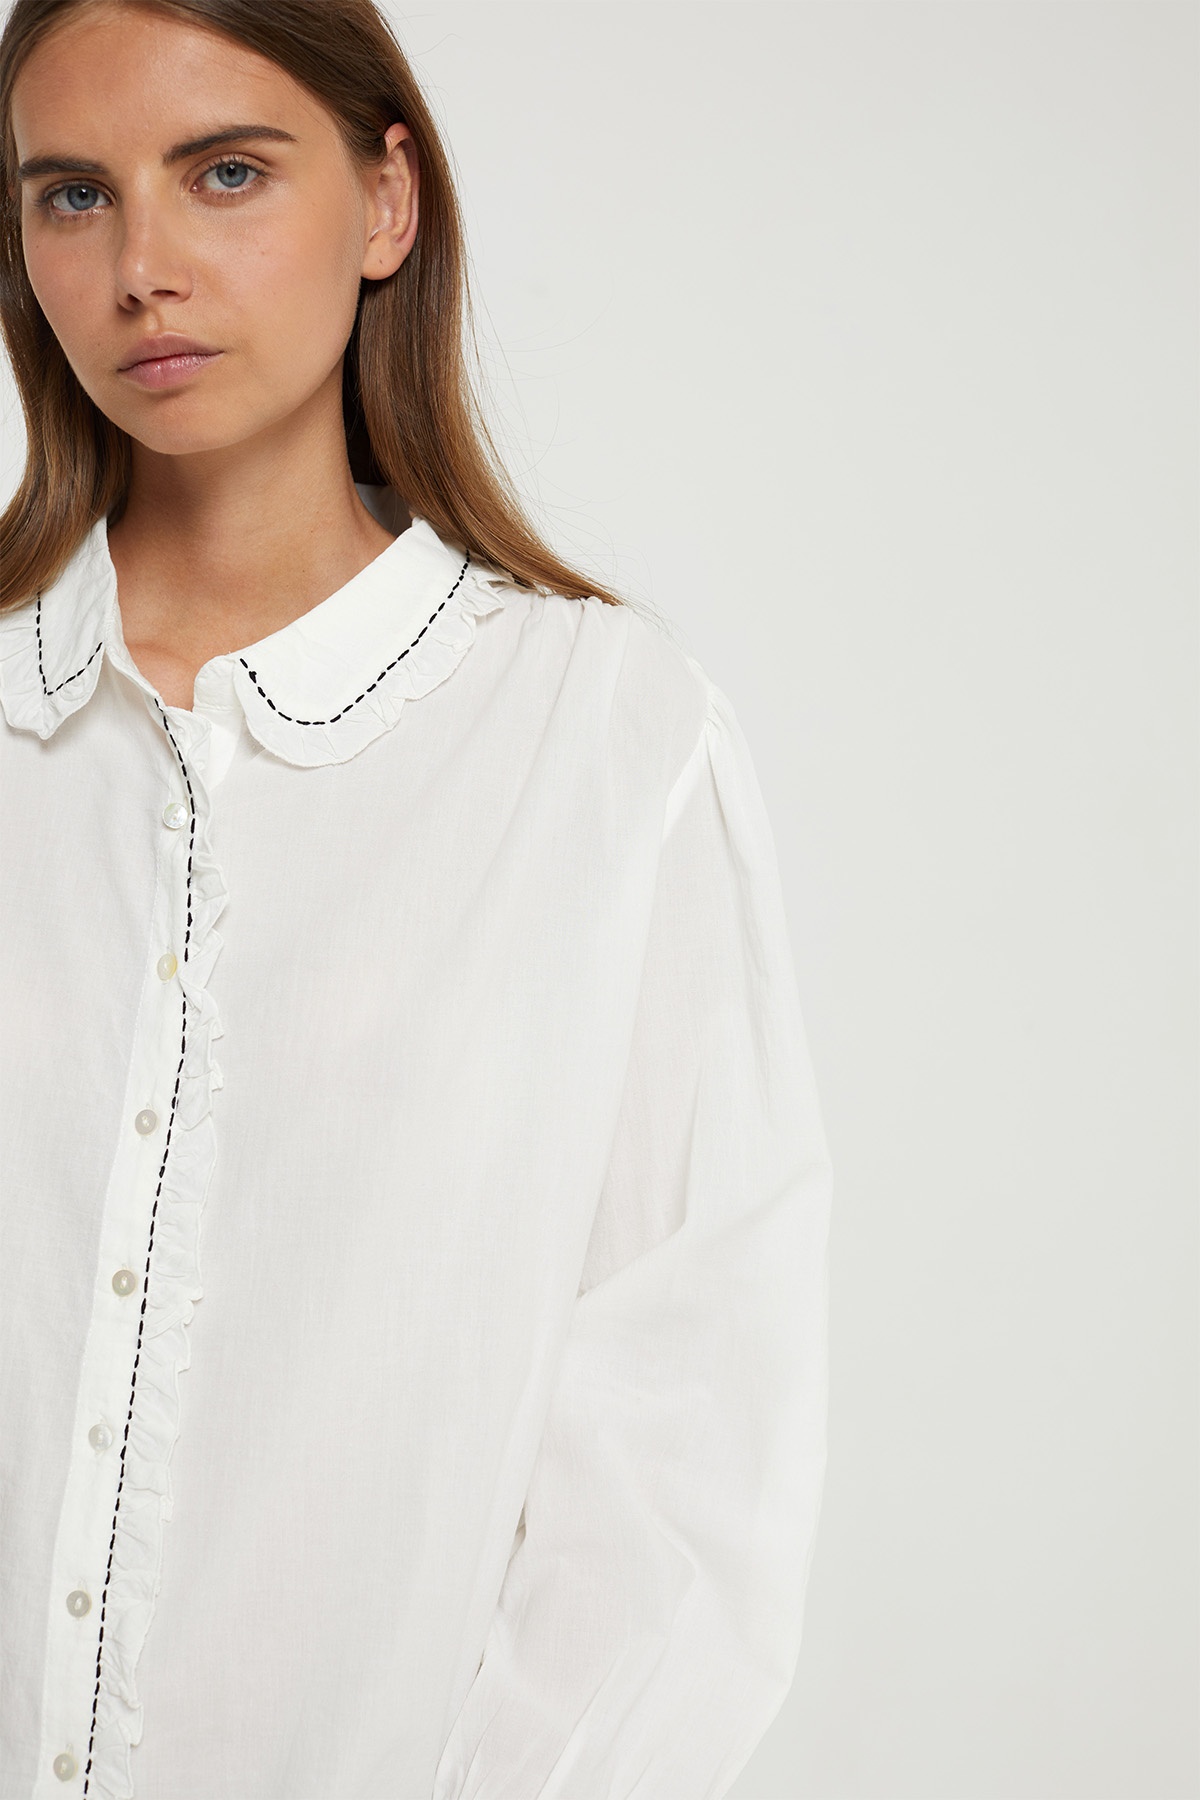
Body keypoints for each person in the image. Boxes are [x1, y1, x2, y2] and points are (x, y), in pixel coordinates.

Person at [0, 2, 833, 1796]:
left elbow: (680, 1465)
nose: (141, 267)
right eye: (72, 194)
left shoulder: (601, 743)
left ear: (388, 201)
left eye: (226, 173)